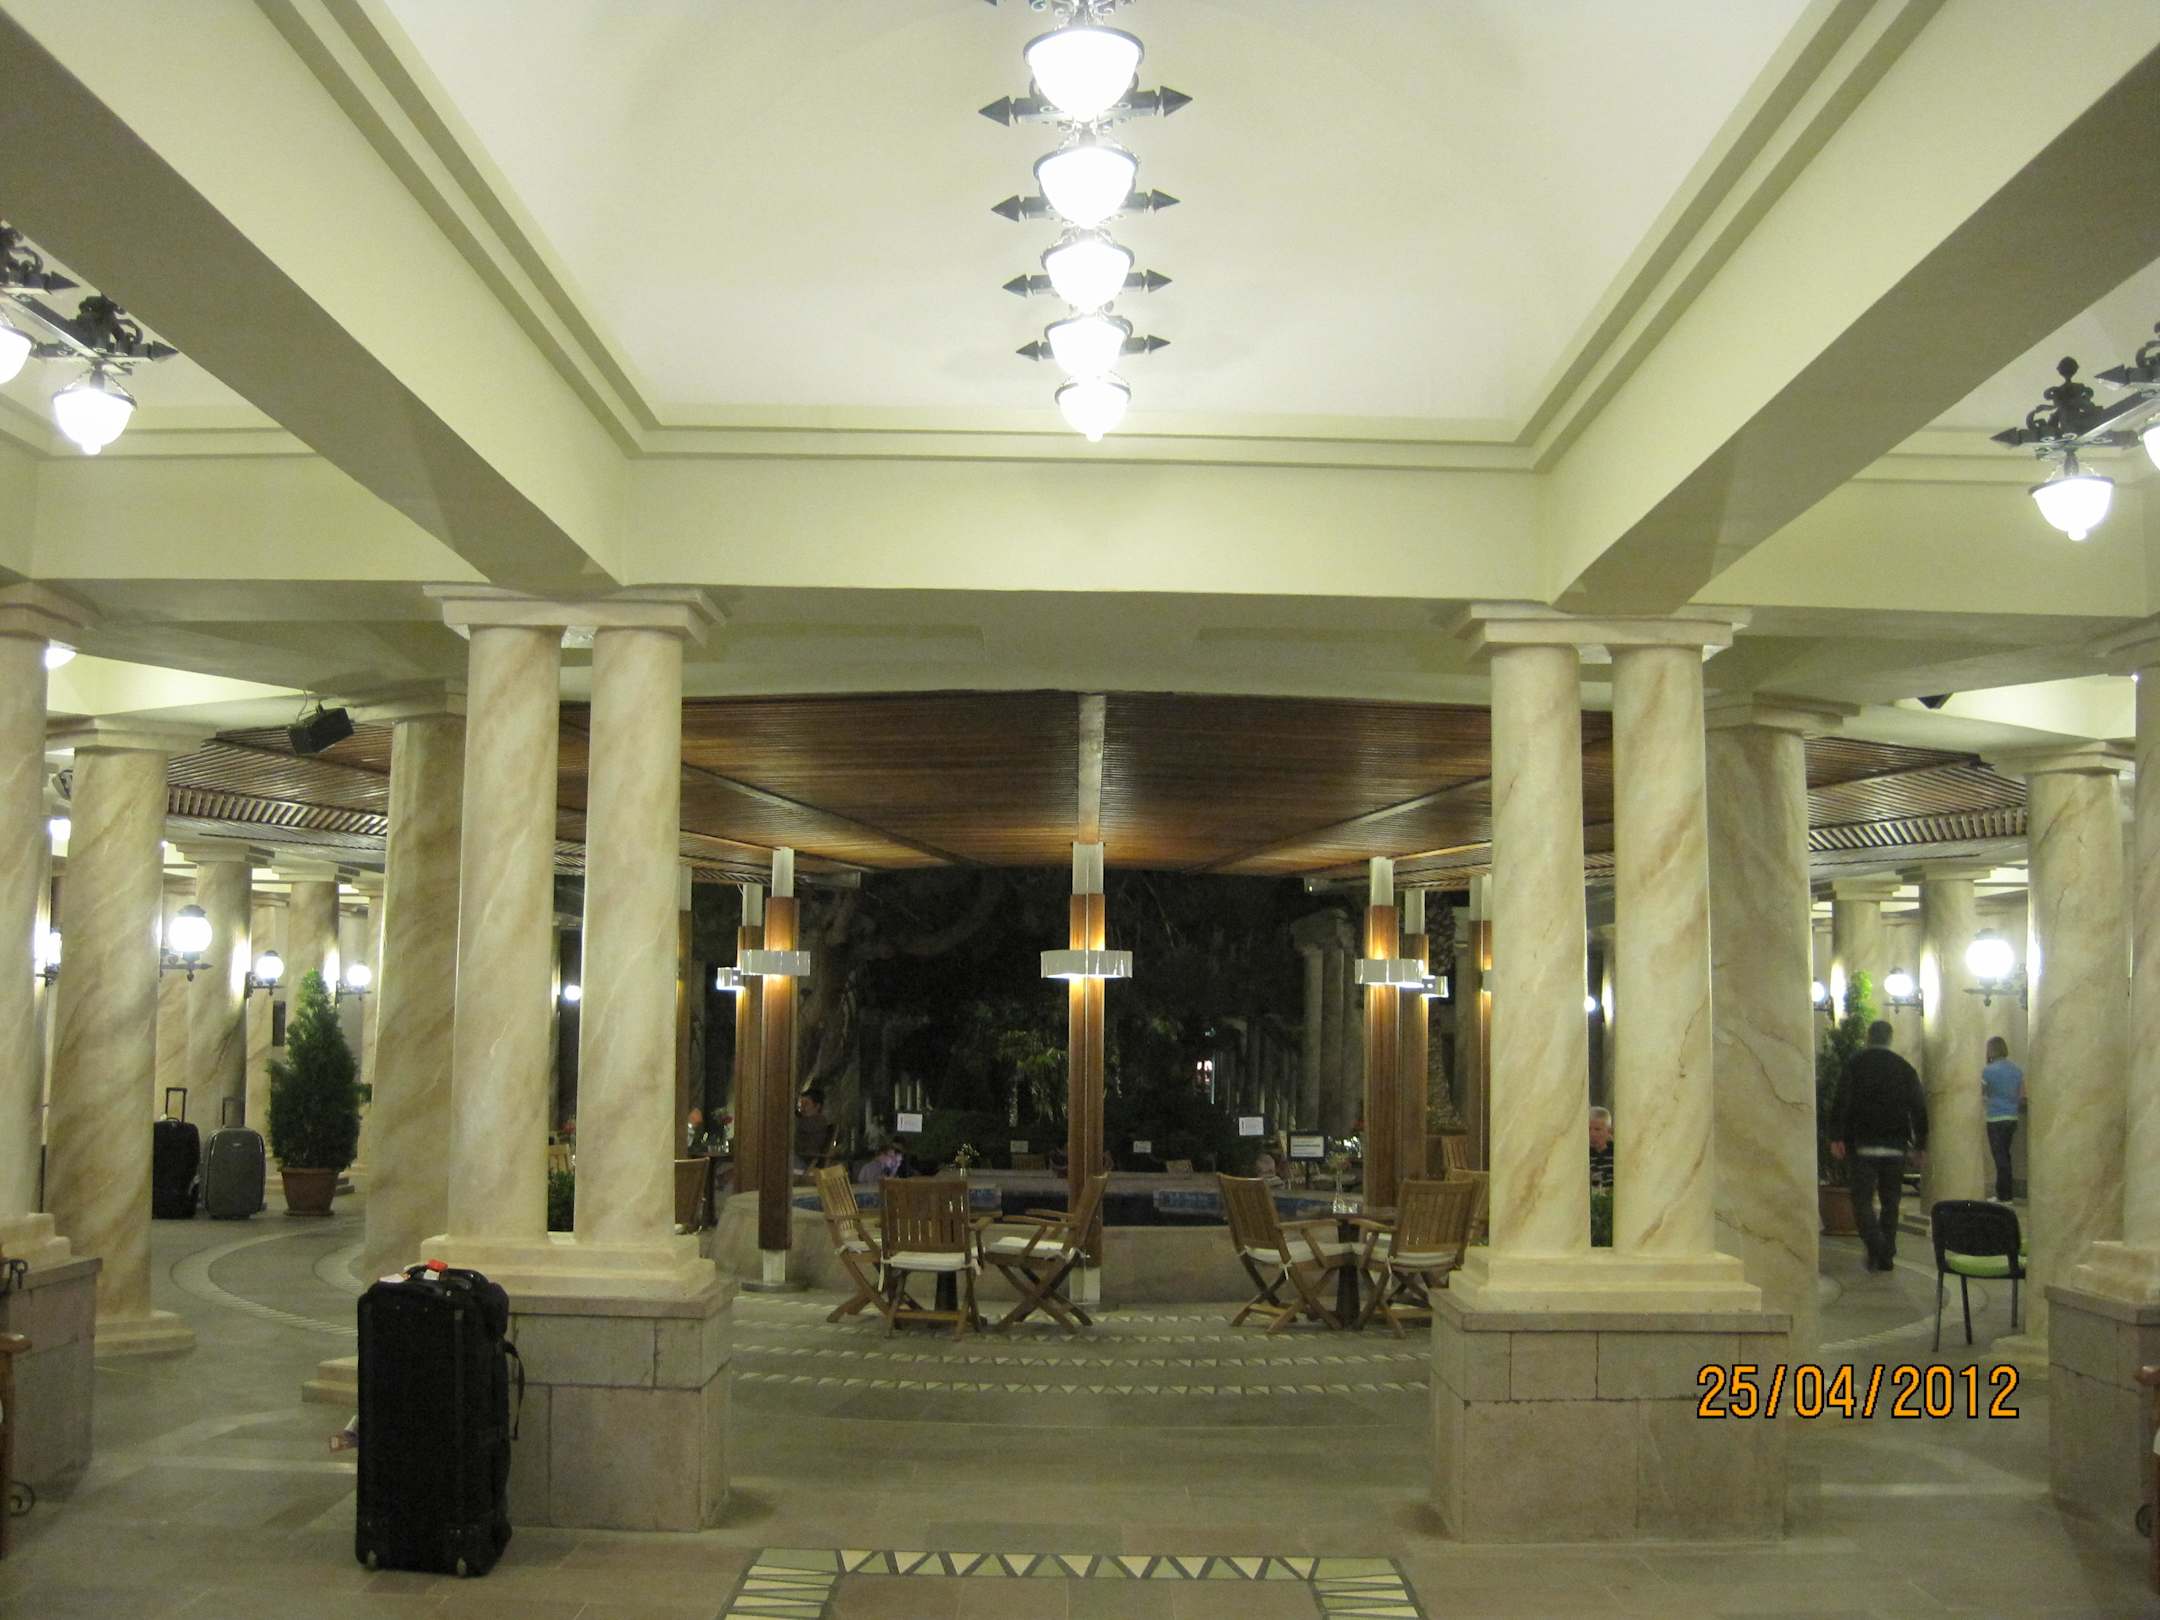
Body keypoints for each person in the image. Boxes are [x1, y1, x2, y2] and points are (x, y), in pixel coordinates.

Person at [1832, 1021, 1928, 1271]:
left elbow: (1841, 1101)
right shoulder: (1904, 1068)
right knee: (1891, 1203)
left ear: (1868, 1037)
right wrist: (1920, 1144)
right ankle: (1887, 1253)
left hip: (1862, 1143)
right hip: (1895, 1144)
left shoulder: (1855, 1064)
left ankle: (1877, 1245)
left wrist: (1836, 1136)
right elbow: (1918, 1107)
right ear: (1890, 1038)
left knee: (1861, 1201)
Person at [1980, 1035, 2024, 1202]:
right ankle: (2004, 1194)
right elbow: (2022, 1095)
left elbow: (1982, 1093)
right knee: (2005, 1156)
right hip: (2012, 1117)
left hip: (1995, 1118)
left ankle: (2005, 1196)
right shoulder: (2016, 1070)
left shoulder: (1988, 1071)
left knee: (2000, 1158)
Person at [793, 1089, 834, 1171]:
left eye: (806, 1104)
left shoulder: (818, 1122)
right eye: (801, 1104)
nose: (802, 1107)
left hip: (804, 1161)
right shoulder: (804, 1121)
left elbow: (800, 1125)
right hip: (799, 1158)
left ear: (817, 1106)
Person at [1588, 1107, 1614, 1190]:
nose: (1592, 1134)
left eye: (1597, 1129)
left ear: (1609, 1132)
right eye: (1588, 1129)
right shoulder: (1583, 1155)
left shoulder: (1615, 1154)